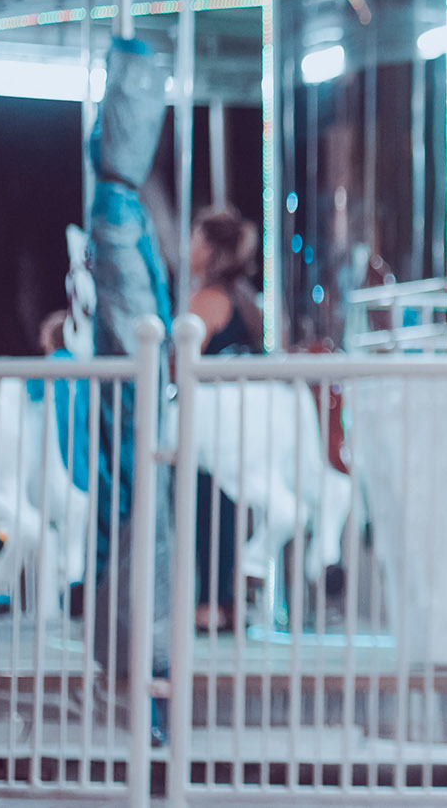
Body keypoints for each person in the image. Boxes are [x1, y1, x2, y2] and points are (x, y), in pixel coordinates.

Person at [188, 206, 264, 633]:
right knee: (229, 508)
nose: (190, 247)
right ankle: (227, 600)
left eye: (196, 238)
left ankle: (210, 602)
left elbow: (183, 356)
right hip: (244, 420)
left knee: (207, 505)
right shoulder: (245, 299)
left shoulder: (208, 300)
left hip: (212, 422)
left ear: (211, 248)